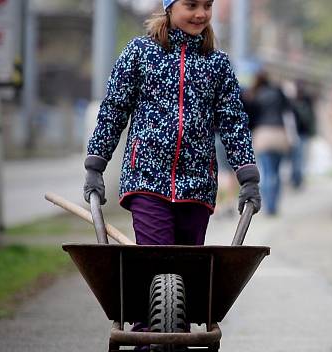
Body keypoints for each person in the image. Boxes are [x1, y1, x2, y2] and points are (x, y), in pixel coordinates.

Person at [83, 0, 261, 246]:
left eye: (207, 6)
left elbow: (233, 122)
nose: (201, 14)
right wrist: (95, 165)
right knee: (158, 260)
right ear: (169, 7)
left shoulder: (217, 63)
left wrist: (248, 177)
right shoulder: (140, 52)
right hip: (146, 179)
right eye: (191, 5)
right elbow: (114, 109)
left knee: (188, 271)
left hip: (198, 184)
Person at [247, 70, 293, 216]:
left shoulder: (255, 95)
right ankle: (274, 205)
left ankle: (268, 206)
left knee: (267, 172)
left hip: (263, 135)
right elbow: (289, 111)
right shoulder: (278, 92)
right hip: (279, 134)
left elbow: (250, 118)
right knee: (277, 173)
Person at [287, 80, 317, 189]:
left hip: (302, 132)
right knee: (297, 157)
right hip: (296, 133)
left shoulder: (305, 100)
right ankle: (296, 178)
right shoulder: (292, 102)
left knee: (300, 157)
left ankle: (297, 178)